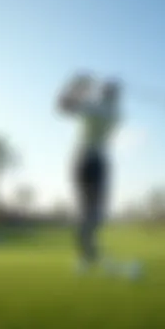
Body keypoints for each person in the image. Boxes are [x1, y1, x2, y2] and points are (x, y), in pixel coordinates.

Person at [57, 75, 120, 273]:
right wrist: (80, 87)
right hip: (88, 160)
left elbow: (64, 104)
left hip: (92, 160)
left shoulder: (105, 109)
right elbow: (64, 106)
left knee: (94, 214)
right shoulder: (104, 108)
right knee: (90, 213)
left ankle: (87, 254)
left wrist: (78, 86)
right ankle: (86, 256)